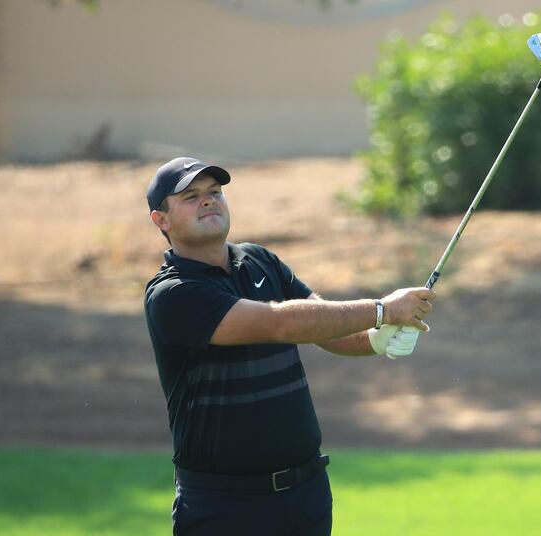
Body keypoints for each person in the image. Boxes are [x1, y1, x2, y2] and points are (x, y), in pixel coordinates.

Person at [143, 157, 435, 536]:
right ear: (161, 220)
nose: (209, 200)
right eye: (191, 196)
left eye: (215, 192)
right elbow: (280, 323)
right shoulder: (173, 293)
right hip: (225, 507)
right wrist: (381, 310)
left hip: (306, 495)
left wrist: (374, 340)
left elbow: (319, 322)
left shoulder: (259, 260)